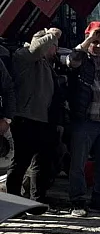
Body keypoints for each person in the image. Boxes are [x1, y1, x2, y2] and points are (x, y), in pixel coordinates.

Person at [64, 22, 100, 217]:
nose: (98, 46)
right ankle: (77, 202)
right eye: (94, 42)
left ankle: (99, 200)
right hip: (85, 121)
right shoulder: (81, 61)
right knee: (78, 164)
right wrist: (88, 39)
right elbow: (71, 60)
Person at [5, 27, 61, 206]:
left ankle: (37, 201)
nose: (56, 51)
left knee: (40, 163)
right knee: (20, 162)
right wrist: (52, 34)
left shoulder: (47, 64)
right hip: (25, 118)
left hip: (42, 120)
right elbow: (35, 49)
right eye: (54, 46)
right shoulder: (23, 56)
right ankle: (12, 202)